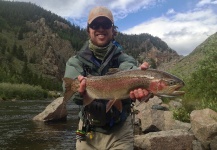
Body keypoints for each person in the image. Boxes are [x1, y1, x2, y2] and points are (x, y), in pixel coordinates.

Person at [63, 6, 150, 150]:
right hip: (88, 132)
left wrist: (140, 78)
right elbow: (75, 98)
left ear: (113, 29)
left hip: (120, 132)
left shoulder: (125, 59)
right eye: (95, 25)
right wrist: (80, 93)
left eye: (106, 24)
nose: (101, 29)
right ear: (88, 30)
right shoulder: (75, 61)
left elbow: (129, 69)